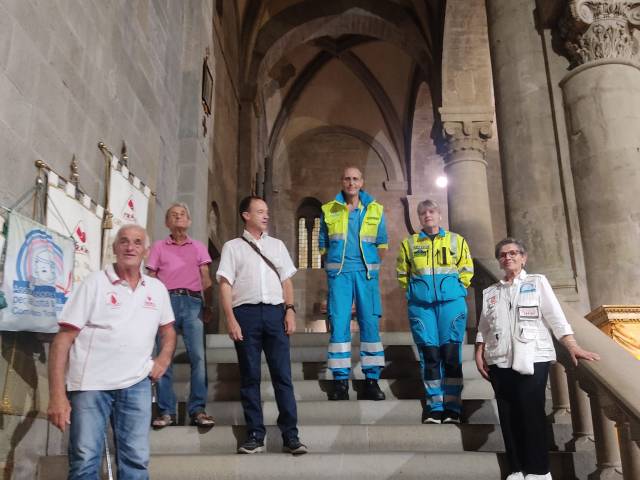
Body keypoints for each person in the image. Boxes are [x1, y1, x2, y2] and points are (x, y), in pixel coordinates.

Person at [47, 225, 176, 480]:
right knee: (84, 461)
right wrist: (57, 396)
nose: (130, 247)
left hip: (137, 383)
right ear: (115, 248)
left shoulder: (157, 289)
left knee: (137, 462)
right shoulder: (94, 284)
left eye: (137, 242)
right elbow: (62, 341)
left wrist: (163, 359)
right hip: (90, 385)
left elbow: (168, 332)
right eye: (125, 241)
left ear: (146, 251)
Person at [475, 237, 599, 480]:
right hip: (499, 359)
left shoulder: (537, 282)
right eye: (502, 254)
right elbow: (484, 326)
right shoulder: (491, 292)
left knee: (530, 412)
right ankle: (517, 468)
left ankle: (539, 471)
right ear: (499, 261)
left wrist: (571, 344)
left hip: (533, 357)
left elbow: (555, 316)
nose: (507, 257)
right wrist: (479, 350)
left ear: (523, 257)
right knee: (508, 415)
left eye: (513, 253)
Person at [216, 196, 307, 455]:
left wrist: (289, 310)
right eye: (260, 211)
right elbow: (225, 284)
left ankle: (291, 435)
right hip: (245, 314)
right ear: (246, 215)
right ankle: (255, 434)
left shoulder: (277, 245)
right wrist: (230, 319)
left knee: (283, 376)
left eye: (267, 212)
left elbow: (286, 281)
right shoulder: (232, 247)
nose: (266, 216)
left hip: (275, 313)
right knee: (250, 376)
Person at [396, 199, 473, 424]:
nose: (427, 215)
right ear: (419, 218)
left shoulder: (456, 240)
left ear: (439, 215)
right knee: (429, 356)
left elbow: (466, 268)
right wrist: (412, 292)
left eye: (431, 212)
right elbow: (402, 273)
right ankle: (434, 406)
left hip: (451, 304)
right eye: (423, 213)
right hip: (422, 307)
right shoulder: (409, 244)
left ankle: (453, 407)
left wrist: (458, 288)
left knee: (450, 355)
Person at [319, 167, 389, 401]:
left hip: (366, 276)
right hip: (339, 276)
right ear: (342, 181)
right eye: (347, 178)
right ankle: (340, 382)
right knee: (339, 325)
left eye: (355, 178)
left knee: (370, 326)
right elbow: (322, 245)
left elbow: (382, 245)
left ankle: (371, 381)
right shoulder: (328, 210)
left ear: (362, 182)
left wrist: (368, 266)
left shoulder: (376, 209)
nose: (351, 182)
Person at [146, 202, 215, 428]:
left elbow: (205, 278)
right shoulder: (158, 247)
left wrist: (209, 305)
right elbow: (151, 276)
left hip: (193, 301)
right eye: (173, 215)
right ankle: (166, 411)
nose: (178, 218)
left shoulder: (197, 246)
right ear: (167, 222)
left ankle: (198, 410)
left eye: (183, 214)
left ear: (189, 221)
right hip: (166, 302)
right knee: (164, 357)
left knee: (198, 357)